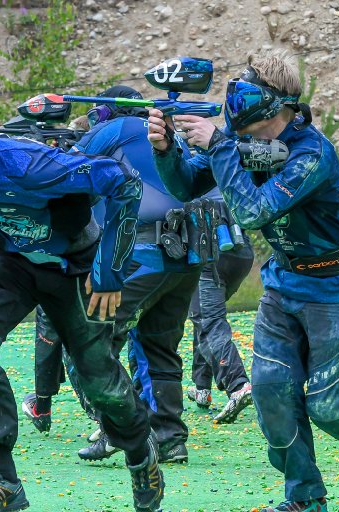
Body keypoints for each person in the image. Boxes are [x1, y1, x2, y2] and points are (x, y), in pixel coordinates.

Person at [147, 48, 339, 512]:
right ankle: (304, 499)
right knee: (272, 392)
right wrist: (166, 150)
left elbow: (254, 211)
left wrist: (217, 145)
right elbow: (185, 185)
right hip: (285, 282)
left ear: (275, 103)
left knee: (333, 408)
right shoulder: (242, 147)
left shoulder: (313, 152)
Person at [0, 98, 165, 512]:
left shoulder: (30, 165)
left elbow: (124, 183)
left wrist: (109, 269)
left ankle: (141, 454)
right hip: (16, 263)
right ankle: (5, 481)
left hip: (75, 266)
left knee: (97, 383)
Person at [23, 85, 215, 464]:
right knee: (159, 346)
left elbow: (64, 178)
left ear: (104, 113)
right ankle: (170, 438)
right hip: (187, 255)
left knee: (93, 340)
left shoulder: (113, 130)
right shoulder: (168, 135)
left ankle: (118, 429)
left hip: (141, 255)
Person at [187, 231, 254, 423]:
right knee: (202, 315)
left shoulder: (185, 198)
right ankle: (202, 387)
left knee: (209, 321)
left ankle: (238, 385)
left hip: (210, 255)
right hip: (241, 253)